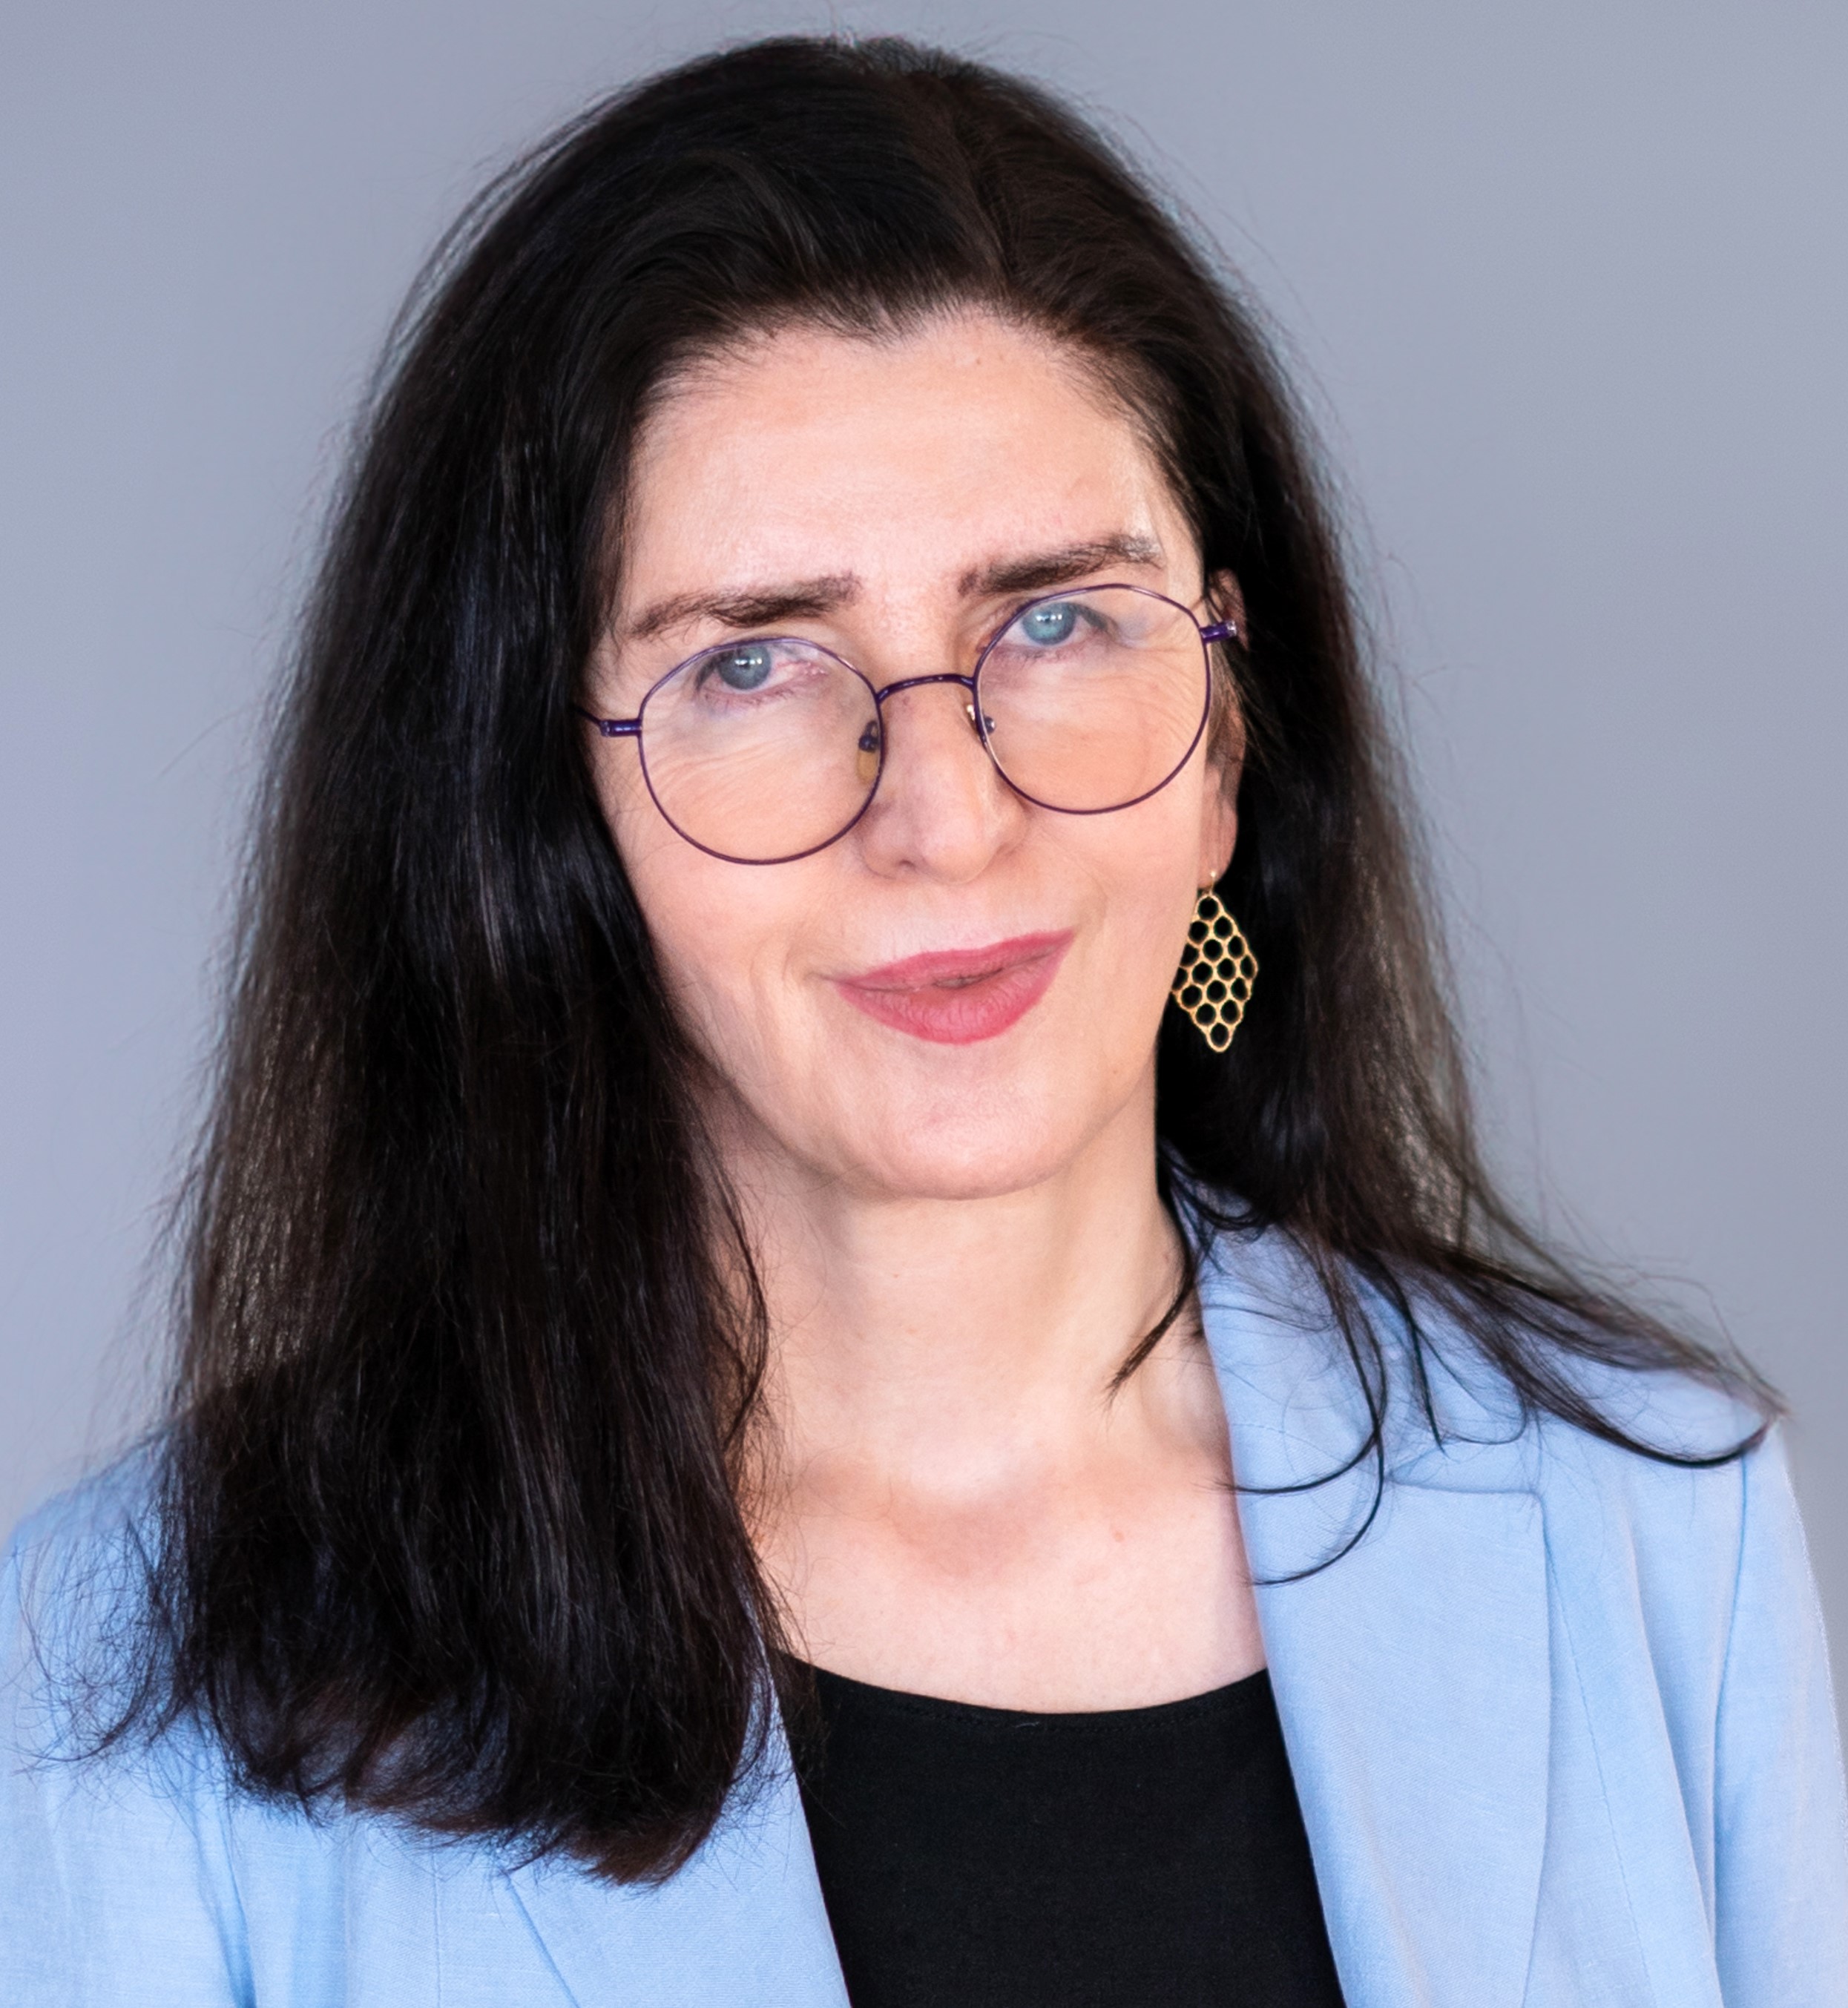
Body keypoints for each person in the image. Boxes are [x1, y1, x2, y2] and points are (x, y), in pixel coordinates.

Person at [2, 33, 1844, 2008]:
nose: (947, 820)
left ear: (1227, 736)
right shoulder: (137, 1682)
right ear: (537, 813)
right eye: (753, 664)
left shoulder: (1652, 1518)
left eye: (1054, 621)